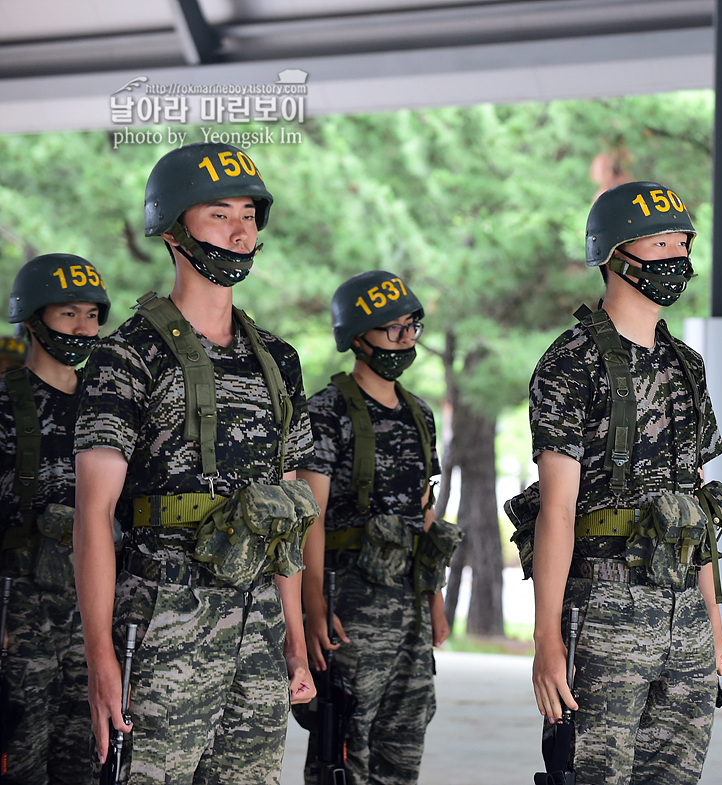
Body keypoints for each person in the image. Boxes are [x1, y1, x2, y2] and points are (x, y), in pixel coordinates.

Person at [73, 142, 316, 785]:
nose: (240, 231)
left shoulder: (280, 361)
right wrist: (100, 658)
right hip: (162, 621)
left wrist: (294, 636)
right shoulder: (126, 357)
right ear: (174, 229)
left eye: (249, 214)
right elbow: (92, 515)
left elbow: (286, 511)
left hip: (260, 627)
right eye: (218, 214)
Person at [528, 180, 722, 785]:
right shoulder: (570, 362)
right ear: (615, 255)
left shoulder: (686, 365)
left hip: (685, 614)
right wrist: (547, 641)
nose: (678, 259)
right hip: (604, 606)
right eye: (661, 244)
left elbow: (698, 506)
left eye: (683, 244)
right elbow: (556, 512)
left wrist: (714, 621)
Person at [297, 270, 456, 784]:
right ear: (357, 337)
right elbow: (310, 516)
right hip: (352, 607)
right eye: (393, 329)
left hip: (409, 609)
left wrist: (434, 605)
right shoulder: (327, 411)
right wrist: (313, 607)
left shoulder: (420, 414)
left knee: (404, 747)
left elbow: (425, 515)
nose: (406, 339)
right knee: (343, 751)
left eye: (413, 327)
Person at [1, 253, 109, 784]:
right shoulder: (5, 402)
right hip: (20, 616)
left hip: (96, 617)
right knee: (19, 759)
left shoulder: (111, 405)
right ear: (32, 316)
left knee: (89, 764)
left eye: (92, 315)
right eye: (69, 314)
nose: (83, 327)